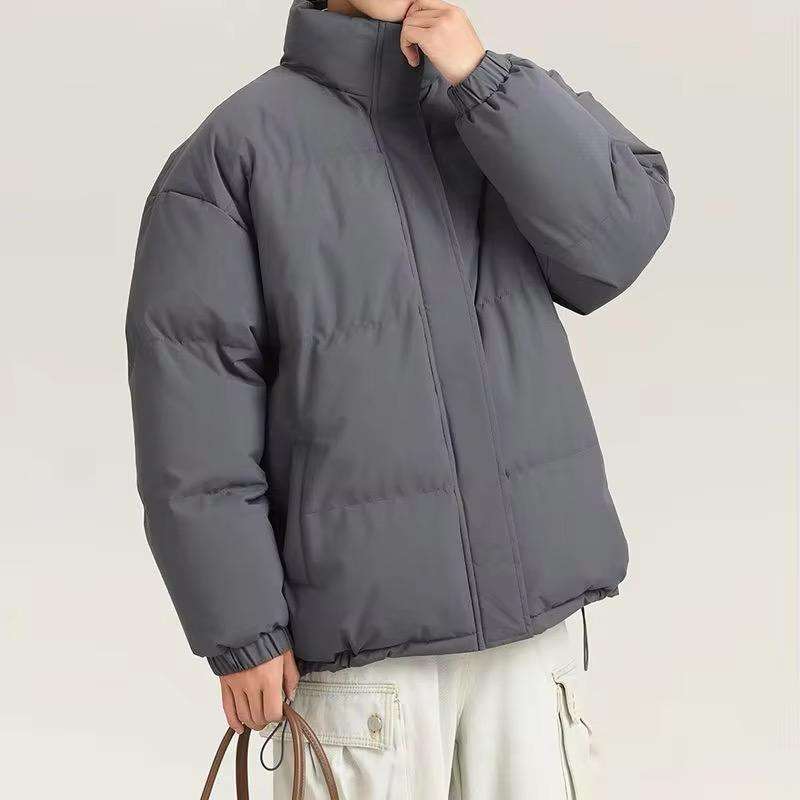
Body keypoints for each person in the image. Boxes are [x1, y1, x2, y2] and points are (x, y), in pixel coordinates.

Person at [126, 0, 674, 796]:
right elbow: (193, 419)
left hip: (531, 645)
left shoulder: (502, 103)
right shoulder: (233, 155)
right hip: (364, 666)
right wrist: (241, 629)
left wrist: (482, 81)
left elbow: (617, 243)